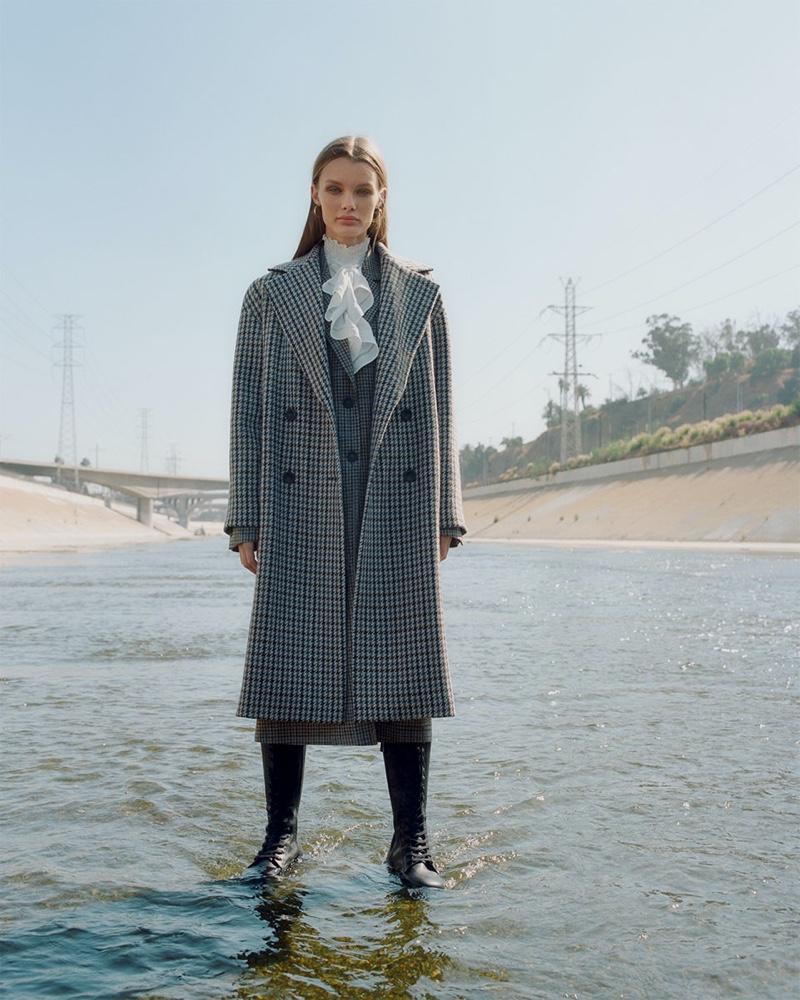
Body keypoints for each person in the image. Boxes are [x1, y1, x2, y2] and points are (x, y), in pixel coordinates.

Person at [225, 135, 466, 889]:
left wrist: (446, 515)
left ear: (382, 198)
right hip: (301, 501)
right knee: (288, 664)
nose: (349, 204)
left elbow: (442, 406)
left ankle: (411, 841)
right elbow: (246, 411)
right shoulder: (271, 294)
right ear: (315, 196)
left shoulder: (422, 293)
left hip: (396, 495)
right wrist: (245, 517)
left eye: (363, 191)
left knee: (404, 662)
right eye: (335, 189)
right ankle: (279, 839)